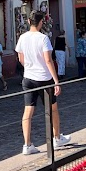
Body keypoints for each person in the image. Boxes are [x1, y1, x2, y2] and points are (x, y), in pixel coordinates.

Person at [17, 10, 71, 155]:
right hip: (44, 79)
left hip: (28, 78)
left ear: (29, 22)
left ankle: (27, 145)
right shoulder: (43, 38)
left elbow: (21, 59)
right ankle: (57, 138)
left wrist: (29, 67)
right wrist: (56, 81)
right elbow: (48, 60)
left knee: (28, 111)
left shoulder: (22, 38)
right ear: (41, 23)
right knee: (52, 109)